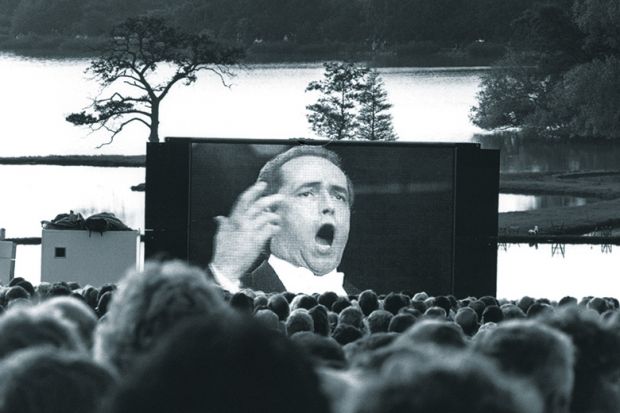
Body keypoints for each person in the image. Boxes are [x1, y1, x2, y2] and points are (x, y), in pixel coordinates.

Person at [208, 146, 358, 295]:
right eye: (307, 193)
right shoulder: (232, 292)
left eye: (339, 197)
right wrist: (225, 272)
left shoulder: (377, 306)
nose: (329, 206)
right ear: (268, 211)